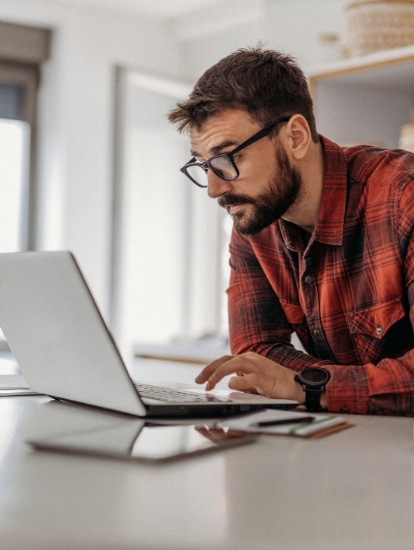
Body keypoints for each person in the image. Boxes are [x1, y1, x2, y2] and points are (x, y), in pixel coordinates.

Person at [168, 47, 414, 415]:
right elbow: (257, 355)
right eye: (205, 165)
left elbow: (282, 377)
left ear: (296, 136)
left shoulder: (403, 198)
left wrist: (306, 386)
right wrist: (315, 387)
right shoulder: (255, 221)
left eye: (228, 159)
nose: (215, 189)